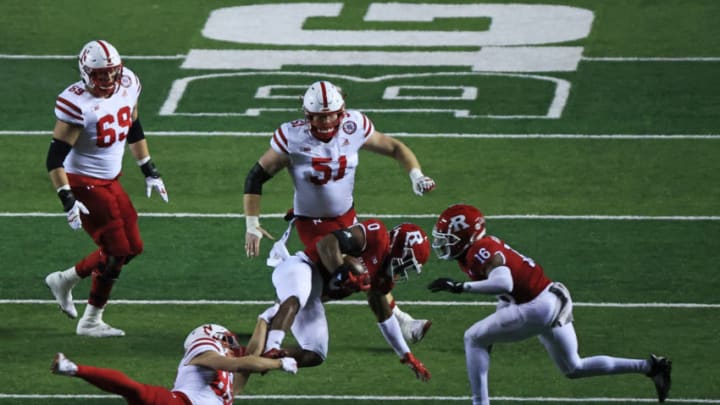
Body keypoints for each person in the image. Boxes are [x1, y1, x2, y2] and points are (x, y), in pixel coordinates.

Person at [243, 80, 436, 343]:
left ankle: (400, 320)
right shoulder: (292, 136)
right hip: (313, 223)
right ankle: (277, 313)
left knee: (365, 270)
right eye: (318, 117)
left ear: (341, 112)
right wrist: (251, 224)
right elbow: (255, 176)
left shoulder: (354, 126)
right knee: (348, 276)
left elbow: (394, 147)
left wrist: (416, 175)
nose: (324, 122)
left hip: (346, 215)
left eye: (329, 115)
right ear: (308, 116)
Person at [427, 204, 673, 404]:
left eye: (448, 238)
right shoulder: (482, 247)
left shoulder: (479, 250)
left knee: (473, 338)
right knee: (573, 367)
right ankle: (651, 367)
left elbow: (504, 283)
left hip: (536, 306)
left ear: (465, 234)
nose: (443, 243)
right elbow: (508, 293)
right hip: (552, 297)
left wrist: (460, 287)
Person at [43, 39, 169, 337]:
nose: (107, 79)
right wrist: (67, 199)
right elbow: (54, 159)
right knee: (116, 251)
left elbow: (133, 125)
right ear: (86, 73)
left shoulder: (129, 84)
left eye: (111, 73)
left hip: (111, 179)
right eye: (100, 75)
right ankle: (90, 321)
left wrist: (148, 168)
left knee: (133, 248)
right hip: (83, 182)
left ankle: (65, 279)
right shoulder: (76, 103)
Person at [261, 219, 432, 381]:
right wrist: (342, 272)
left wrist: (407, 356)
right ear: (400, 247)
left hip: (313, 295)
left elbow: (385, 318)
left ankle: (261, 358)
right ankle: (272, 346)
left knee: (315, 353)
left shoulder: (384, 276)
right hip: (302, 267)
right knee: (299, 296)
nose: (403, 270)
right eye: (407, 263)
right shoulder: (376, 234)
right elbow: (326, 244)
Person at [51, 305, 298, 404]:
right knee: (137, 392)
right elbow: (244, 363)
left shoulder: (230, 377)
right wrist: (280, 364)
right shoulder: (204, 354)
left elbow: (250, 360)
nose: (233, 345)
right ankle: (74, 368)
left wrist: (264, 320)